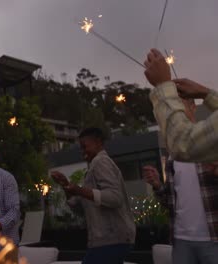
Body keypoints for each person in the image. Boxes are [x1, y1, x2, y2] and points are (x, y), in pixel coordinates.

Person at [142, 98, 218, 264]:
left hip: (213, 239)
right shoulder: (174, 154)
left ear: (193, 107)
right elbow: (171, 203)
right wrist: (157, 185)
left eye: (179, 105)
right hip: (181, 240)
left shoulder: (211, 142)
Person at [51, 128, 135, 264]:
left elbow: (115, 197)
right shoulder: (94, 166)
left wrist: (79, 190)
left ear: (98, 143)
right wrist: (65, 185)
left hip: (110, 240)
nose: (82, 152)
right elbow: (80, 210)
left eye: (85, 147)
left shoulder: (101, 162)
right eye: (81, 148)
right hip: (109, 240)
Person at [144, 48, 218, 162]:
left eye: (178, 103)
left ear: (193, 107)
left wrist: (163, 86)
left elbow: (183, 144)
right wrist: (207, 94)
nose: (177, 108)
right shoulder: (170, 161)